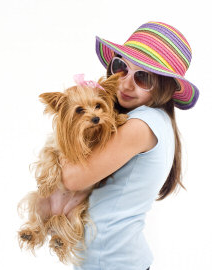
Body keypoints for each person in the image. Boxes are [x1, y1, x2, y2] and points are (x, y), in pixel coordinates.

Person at [61, 21, 199, 270]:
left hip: (113, 262)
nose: (125, 83)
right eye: (121, 67)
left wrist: (67, 124)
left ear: (165, 88)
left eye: (143, 77)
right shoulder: (151, 120)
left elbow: (72, 178)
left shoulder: (141, 125)